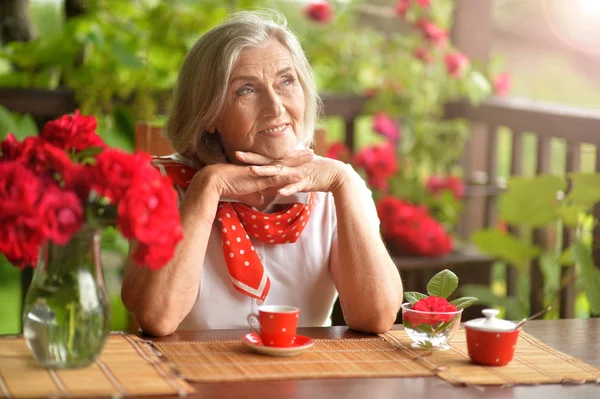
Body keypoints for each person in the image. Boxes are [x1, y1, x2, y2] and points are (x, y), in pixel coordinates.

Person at [121, 10, 402, 336]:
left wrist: (345, 181)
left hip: (304, 379)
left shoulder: (338, 187)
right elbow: (157, 317)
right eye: (246, 90)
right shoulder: (159, 187)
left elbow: (377, 317)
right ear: (209, 114)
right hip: (193, 379)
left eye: (286, 81)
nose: (276, 107)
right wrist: (208, 185)